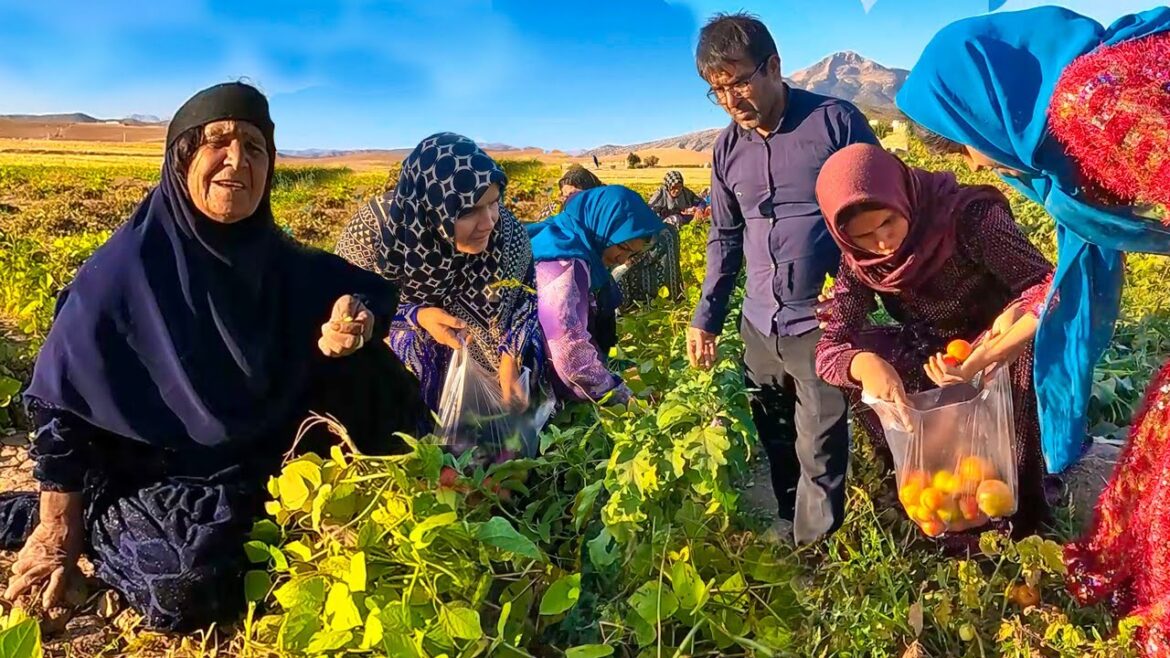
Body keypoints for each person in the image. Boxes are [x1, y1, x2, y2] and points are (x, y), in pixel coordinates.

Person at [0, 83, 427, 632]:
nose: (236, 161)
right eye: (217, 142)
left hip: (262, 456)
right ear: (181, 160)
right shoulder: (122, 273)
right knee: (191, 583)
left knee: (374, 374)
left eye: (254, 147)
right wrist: (58, 529)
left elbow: (358, 291)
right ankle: (97, 520)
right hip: (152, 470)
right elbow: (61, 401)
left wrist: (356, 316)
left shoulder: (278, 261)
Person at [896, 7, 1170, 651]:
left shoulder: (1090, 104)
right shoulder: (1069, 137)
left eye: (963, 135)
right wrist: (1001, 341)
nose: (976, 158)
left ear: (985, 96)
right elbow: (1070, 272)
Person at [686, 12, 880, 545]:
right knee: (773, 431)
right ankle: (788, 517)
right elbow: (723, 239)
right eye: (716, 90)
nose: (731, 99)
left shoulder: (834, 123)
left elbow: (880, 212)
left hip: (821, 321)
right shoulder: (726, 150)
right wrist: (707, 318)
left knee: (819, 442)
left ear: (774, 66)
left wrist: (855, 299)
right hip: (757, 323)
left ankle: (815, 555)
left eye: (740, 81)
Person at [813, 143, 1053, 543]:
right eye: (864, 237)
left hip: (999, 339)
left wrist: (997, 340)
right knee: (882, 374)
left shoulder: (967, 219)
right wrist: (866, 365)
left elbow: (1044, 285)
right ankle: (942, 509)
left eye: (888, 222)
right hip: (932, 349)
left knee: (1009, 400)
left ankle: (1018, 522)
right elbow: (830, 346)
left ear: (902, 195)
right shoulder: (859, 263)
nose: (884, 243)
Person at [336, 133, 547, 461]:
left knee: (492, 457)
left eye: (494, 202)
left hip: (487, 376)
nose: (489, 221)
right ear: (431, 206)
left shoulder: (508, 233)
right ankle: (411, 451)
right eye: (469, 211)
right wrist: (416, 316)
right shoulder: (377, 231)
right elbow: (348, 304)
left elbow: (524, 301)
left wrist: (510, 359)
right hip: (404, 367)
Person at [528, 186, 664, 404]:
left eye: (632, 253)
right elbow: (569, 352)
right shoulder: (564, 261)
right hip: (522, 393)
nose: (622, 259)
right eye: (622, 247)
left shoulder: (567, 237)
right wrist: (621, 398)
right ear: (603, 226)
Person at [556, 166, 684, 308]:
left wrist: (626, 260)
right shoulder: (567, 223)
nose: (569, 200)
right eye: (564, 195)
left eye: (574, 194)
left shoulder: (611, 210)